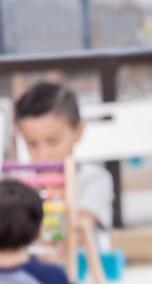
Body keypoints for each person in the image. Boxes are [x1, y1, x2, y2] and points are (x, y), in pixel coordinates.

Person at [15, 82, 113, 230]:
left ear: (78, 131)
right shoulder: (18, 182)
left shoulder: (93, 179)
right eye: (32, 144)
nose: (43, 155)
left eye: (53, 142)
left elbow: (80, 229)